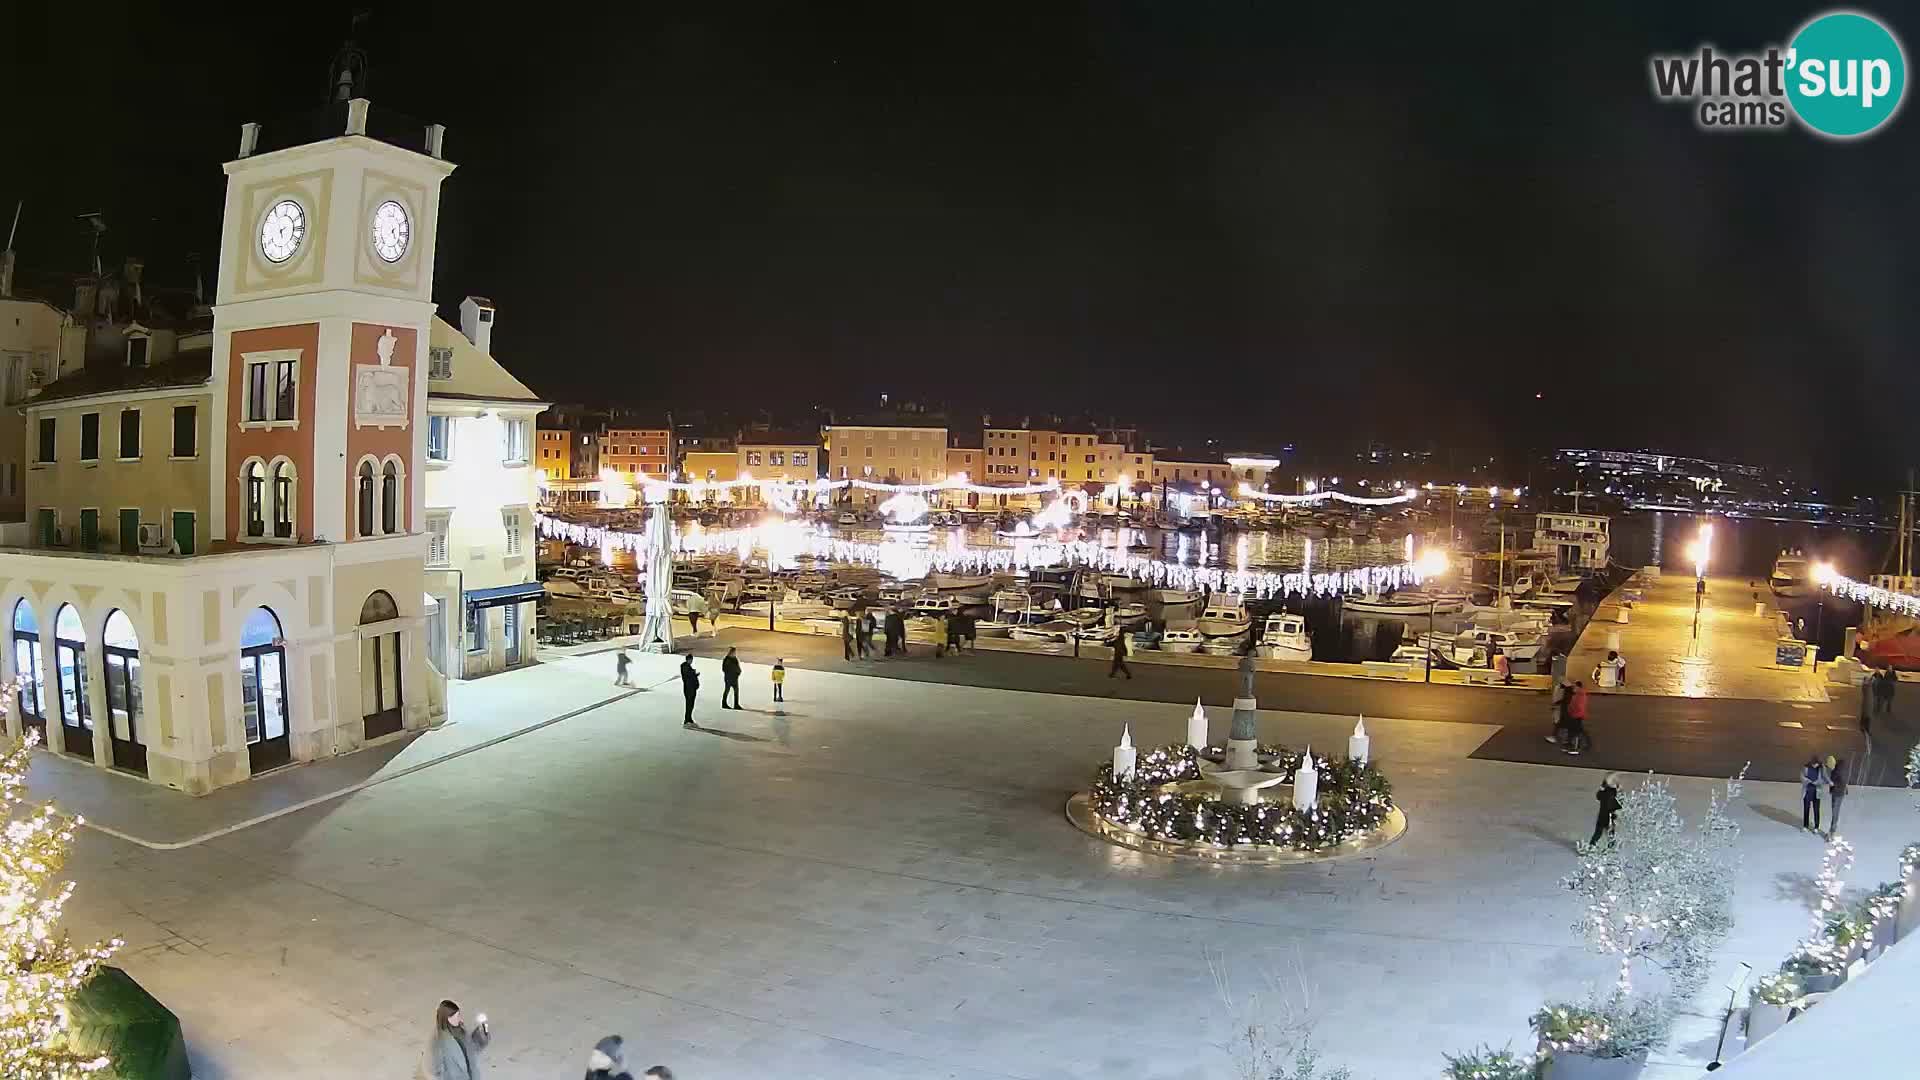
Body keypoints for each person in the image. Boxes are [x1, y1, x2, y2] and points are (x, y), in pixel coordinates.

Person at [422, 999, 489, 1080]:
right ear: (448, 1018)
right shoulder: (436, 1041)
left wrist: (481, 1035)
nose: (460, 1019)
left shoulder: (460, 1029)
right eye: (457, 1016)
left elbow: (471, 1049)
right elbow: (431, 1070)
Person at [1590, 773, 1622, 845]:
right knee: (1608, 833)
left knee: (1599, 833)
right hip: (1608, 816)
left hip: (1605, 816)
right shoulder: (1612, 793)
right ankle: (1611, 847)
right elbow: (1620, 803)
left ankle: (1592, 845)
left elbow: (1598, 796)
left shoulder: (1606, 792)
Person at [1562, 681, 1590, 755]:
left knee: (1577, 731)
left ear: (1578, 687)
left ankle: (1576, 748)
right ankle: (1571, 744)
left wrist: (1572, 711)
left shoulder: (1580, 695)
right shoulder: (1578, 694)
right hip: (1575, 715)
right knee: (1576, 730)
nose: (1573, 688)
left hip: (1577, 715)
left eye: (1574, 687)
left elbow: (1579, 706)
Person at [1801, 755, 1826, 832]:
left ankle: (1816, 827)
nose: (1815, 765)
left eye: (1816, 764)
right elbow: (1802, 776)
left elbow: (1824, 779)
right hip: (1807, 791)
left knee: (1816, 810)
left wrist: (1818, 782)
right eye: (1813, 764)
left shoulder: (1821, 768)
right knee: (1806, 809)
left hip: (1817, 792)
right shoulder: (1806, 768)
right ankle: (1805, 826)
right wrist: (1807, 780)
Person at [679, 653, 700, 728]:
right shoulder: (684, 666)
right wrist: (694, 673)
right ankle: (686, 720)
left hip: (692, 688)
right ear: (688, 659)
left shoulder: (688, 666)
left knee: (691, 705)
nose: (691, 661)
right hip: (688, 689)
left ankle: (689, 718)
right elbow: (687, 676)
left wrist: (695, 674)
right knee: (689, 705)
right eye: (691, 660)